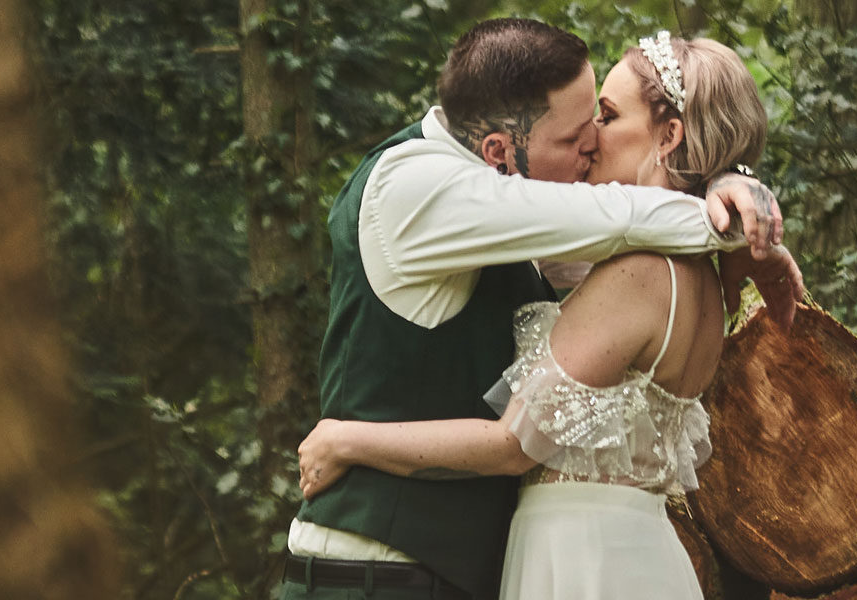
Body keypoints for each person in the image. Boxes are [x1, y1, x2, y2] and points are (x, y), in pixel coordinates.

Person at [282, 19, 802, 600]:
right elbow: (615, 216)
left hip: (566, 564)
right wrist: (727, 214)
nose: (592, 143)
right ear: (499, 152)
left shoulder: (633, 269)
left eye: (605, 117)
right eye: (580, 130)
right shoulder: (421, 188)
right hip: (372, 572)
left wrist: (731, 195)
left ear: (669, 134)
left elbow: (513, 443)